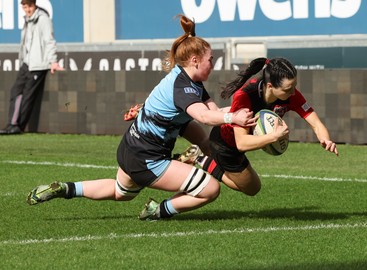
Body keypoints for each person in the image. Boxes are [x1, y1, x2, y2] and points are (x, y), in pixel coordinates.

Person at [26, 15, 257, 221]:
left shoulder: (185, 79)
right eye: (211, 59)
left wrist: (241, 112)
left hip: (130, 148)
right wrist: (232, 117)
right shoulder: (184, 87)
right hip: (147, 158)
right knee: (209, 189)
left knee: (120, 192)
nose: (213, 64)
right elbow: (205, 116)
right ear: (195, 60)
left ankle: (66, 188)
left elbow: (213, 111)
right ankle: (158, 210)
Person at [180, 57, 339, 196]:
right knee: (251, 189)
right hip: (226, 144)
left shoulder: (291, 94)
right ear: (270, 86)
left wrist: (325, 139)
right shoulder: (245, 96)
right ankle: (199, 158)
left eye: (294, 86)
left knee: (253, 187)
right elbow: (241, 143)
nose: (293, 92)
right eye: (288, 89)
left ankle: (200, 154)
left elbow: (315, 122)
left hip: (241, 143)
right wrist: (274, 137)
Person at [0, 0, 63, 135]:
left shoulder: (43, 19)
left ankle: (18, 127)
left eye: (29, 6)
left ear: (34, 5)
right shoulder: (27, 19)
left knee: (27, 97)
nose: (27, 9)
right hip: (26, 64)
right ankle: (12, 124)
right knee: (15, 92)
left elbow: (49, 41)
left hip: (38, 65)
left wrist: (52, 61)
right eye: (24, 6)